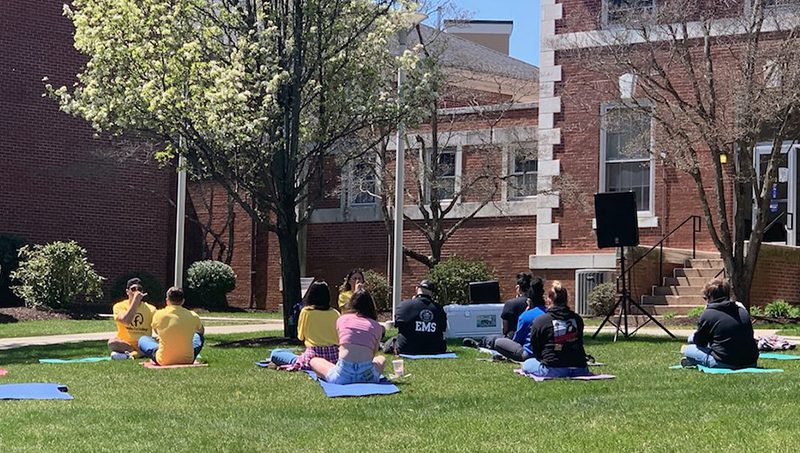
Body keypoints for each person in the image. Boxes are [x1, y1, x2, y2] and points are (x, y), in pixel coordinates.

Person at [310, 290, 386, 384]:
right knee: (381, 358)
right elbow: (373, 354)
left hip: (342, 375)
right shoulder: (376, 326)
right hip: (367, 377)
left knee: (315, 360)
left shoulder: (342, 320)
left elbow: (342, 343)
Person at [680, 278, 758, 369]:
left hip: (725, 362)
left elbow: (700, 342)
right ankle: (694, 361)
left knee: (688, 349)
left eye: (706, 298)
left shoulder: (708, 314)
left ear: (710, 297)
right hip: (750, 361)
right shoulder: (742, 311)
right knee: (691, 339)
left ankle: (694, 360)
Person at [521, 281, 590, 378]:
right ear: (566, 300)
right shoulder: (577, 319)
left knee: (527, 363)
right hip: (580, 368)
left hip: (553, 369)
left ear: (549, 300)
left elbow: (535, 347)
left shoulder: (540, 321)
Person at [269, 281, 340, 369]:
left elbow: (301, 336)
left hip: (312, 358)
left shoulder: (306, 312)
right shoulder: (335, 313)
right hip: (333, 358)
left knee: (276, 353)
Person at [482, 276, 546, 362]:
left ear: (529, 301)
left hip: (528, 354)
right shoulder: (549, 314)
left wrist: (526, 312)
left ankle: (479, 344)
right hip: (545, 353)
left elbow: (516, 339)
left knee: (498, 341)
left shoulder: (526, 316)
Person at [138, 287, 205, 366]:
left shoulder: (159, 314)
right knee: (198, 337)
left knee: (143, 339)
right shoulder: (193, 315)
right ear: (183, 301)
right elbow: (201, 331)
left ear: (167, 300)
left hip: (164, 359)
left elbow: (156, 331)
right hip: (187, 359)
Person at [382, 280, 447, 355]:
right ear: (432, 293)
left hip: (407, 348)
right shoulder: (440, 310)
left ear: (416, 289)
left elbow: (397, 325)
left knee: (391, 341)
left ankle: (381, 346)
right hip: (435, 349)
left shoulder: (404, 306)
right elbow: (442, 328)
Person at [108, 278, 157, 359]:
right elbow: (126, 321)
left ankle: (130, 355)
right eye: (133, 289)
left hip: (143, 342)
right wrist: (135, 301)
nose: (136, 292)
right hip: (126, 344)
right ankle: (139, 352)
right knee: (112, 342)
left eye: (139, 289)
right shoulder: (119, 306)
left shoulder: (151, 308)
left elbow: (157, 327)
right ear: (127, 291)